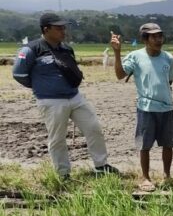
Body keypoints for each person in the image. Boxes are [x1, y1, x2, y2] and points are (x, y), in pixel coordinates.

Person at [12, 13, 118, 178]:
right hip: (51, 101)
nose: (64, 31)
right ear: (46, 29)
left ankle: (101, 165)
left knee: (93, 128)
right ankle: (63, 174)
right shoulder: (31, 49)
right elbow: (19, 74)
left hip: (75, 97)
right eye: (59, 28)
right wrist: (42, 87)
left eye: (64, 27)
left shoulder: (67, 48)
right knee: (58, 138)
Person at [112, 23, 173, 192]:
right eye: (154, 36)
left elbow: (168, 82)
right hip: (146, 108)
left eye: (160, 36)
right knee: (144, 145)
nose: (158, 40)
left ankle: (167, 175)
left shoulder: (169, 58)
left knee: (168, 144)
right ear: (145, 39)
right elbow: (120, 75)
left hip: (167, 108)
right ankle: (146, 178)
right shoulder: (135, 56)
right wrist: (117, 52)